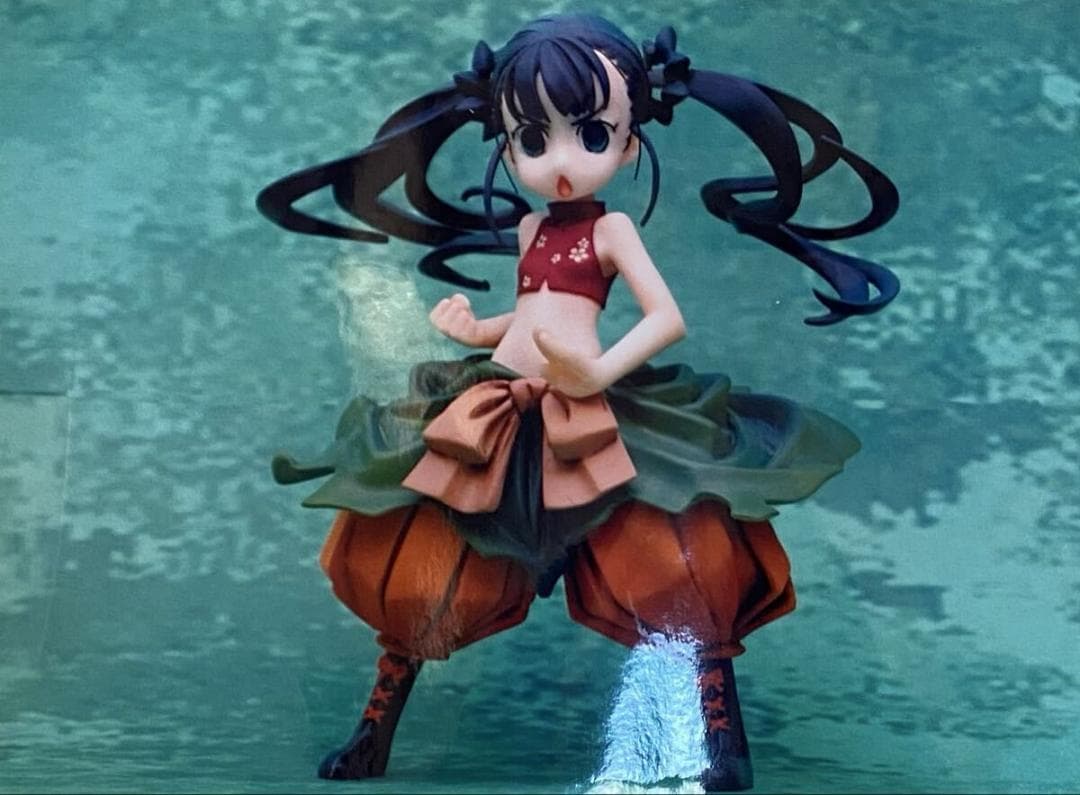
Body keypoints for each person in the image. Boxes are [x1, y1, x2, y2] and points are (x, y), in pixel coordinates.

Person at [257, 13, 899, 791]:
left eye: (592, 134)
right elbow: (533, 311)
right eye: (533, 139)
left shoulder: (614, 228)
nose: (561, 160)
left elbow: (665, 318)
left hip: (584, 407)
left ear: (628, 145)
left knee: (669, 555)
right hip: (500, 404)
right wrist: (476, 327)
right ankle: (374, 730)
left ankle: (720, 738)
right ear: (507, 148)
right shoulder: (531, 228)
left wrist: (598, 372)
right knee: (429, 558)